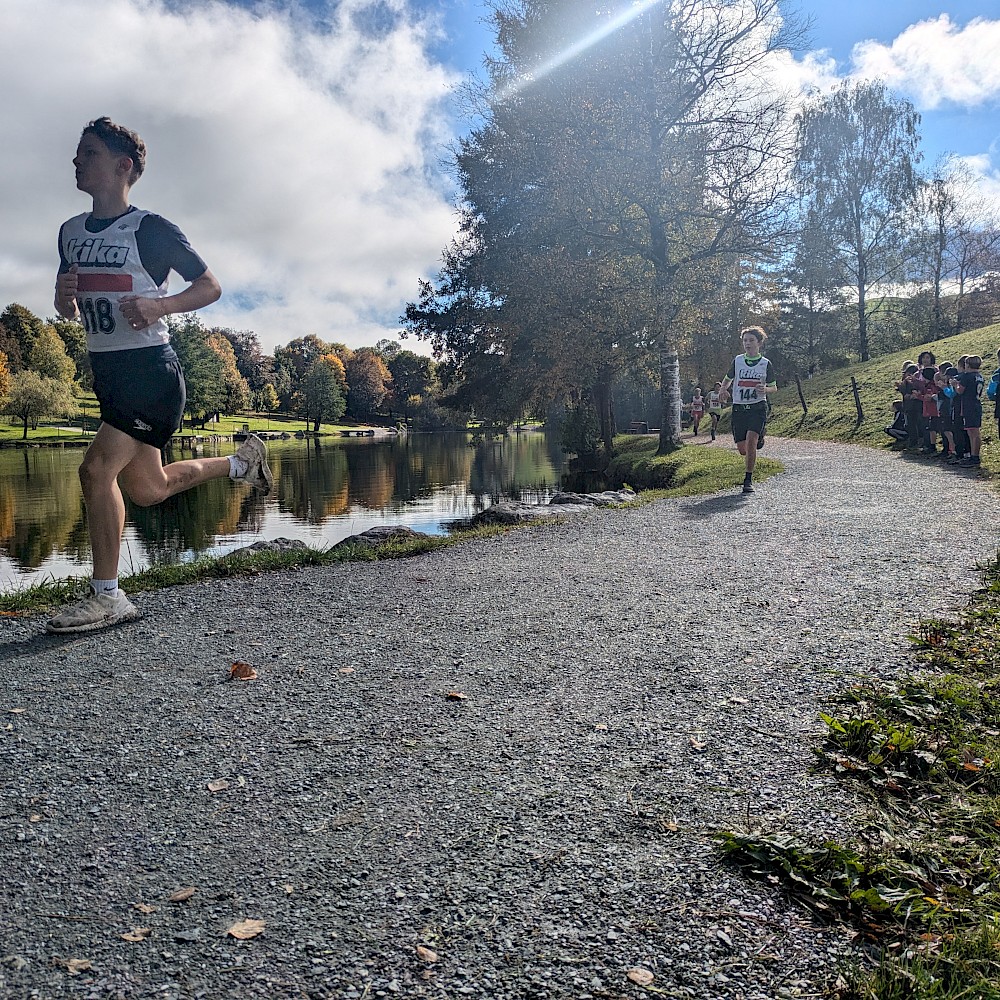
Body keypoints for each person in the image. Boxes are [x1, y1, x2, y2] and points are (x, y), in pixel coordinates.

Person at [47, 117, 272, 634]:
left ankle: (108, 597)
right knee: (149, 488)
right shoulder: (69, 232)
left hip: (150, 371)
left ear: (123, 167)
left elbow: (210, 285)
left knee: (95, 471)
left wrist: (160, 305)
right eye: (77, 152)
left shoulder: (150, 229)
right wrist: (63, 301)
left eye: (88, 153)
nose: (76, 161)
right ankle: (241, 464)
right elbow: (70, 305)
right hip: (108, 372)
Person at [718, 326, 776, 494]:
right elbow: (728, 379)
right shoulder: (738, 361)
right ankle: (759, 437)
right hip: (739, 408)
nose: (748, 343)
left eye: (751, 340)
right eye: (745, 341)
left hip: (757, 407)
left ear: (759, 343)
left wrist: (765, 389)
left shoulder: (765, 364)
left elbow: (774, 387)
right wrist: (723, 390)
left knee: (751, 441)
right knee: (743, 450)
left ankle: (748, 480)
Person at [953, 355, 985, 468]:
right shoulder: (979, 376)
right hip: (976, 404)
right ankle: (974, 455)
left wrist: (955, 384)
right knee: (974, 432)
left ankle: (974, 456)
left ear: (967, 364)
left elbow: (960, 391)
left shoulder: (967, 376)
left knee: (973, 433)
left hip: (968, 405)